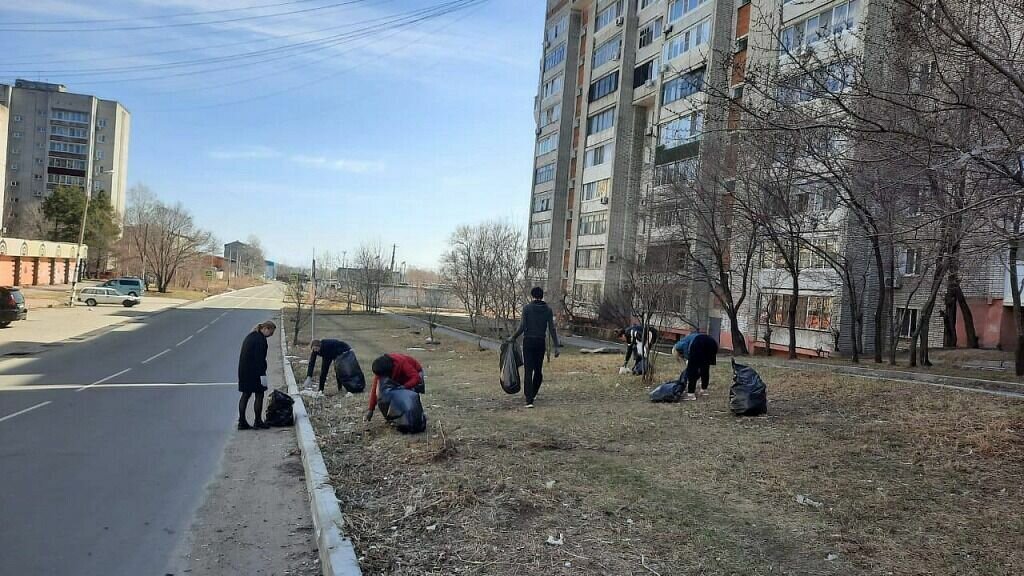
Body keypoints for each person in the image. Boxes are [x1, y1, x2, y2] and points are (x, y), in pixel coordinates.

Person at [508, 286, 559, 408]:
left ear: (532, 295)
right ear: (542, 296)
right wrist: (556, 345)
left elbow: (522, 327)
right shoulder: (547, 310)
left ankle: (529, 399)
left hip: (529, 342)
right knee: (538, 370)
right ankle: (534, 392)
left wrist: (512, 337)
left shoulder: (527, 308)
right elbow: (552, 328)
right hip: (540, 342)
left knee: (528, 370)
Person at [237, 320, 276, 430]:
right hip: (255, 372)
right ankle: (258, 421)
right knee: (260, 394)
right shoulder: (261, 340)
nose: (270, 336)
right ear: (266, 329)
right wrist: (262, 375)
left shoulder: (251, 336)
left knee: (245, 395)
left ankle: (242, 421)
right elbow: (260, 359)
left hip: (243, 371)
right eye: (271, 333)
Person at [364, 353, 425, 422]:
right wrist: (371, 409)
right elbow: (375, 389)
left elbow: (416, 378)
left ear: (388, 372)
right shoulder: (381, 370)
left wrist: (404, 387)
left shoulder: (401, 362)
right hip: (401, 376)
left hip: (415, 372)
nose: (382, 378)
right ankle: (397, 418)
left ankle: (416, 417)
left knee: (411, 396)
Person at [673, 331, 719, 401]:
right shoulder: (690, 337)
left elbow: (685, 345)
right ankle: (704, 390)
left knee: (692, 369)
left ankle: (691, 394)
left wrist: (687, 358)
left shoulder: (677, 345)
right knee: (705, 367)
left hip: (699, 342)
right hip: (712, 343)